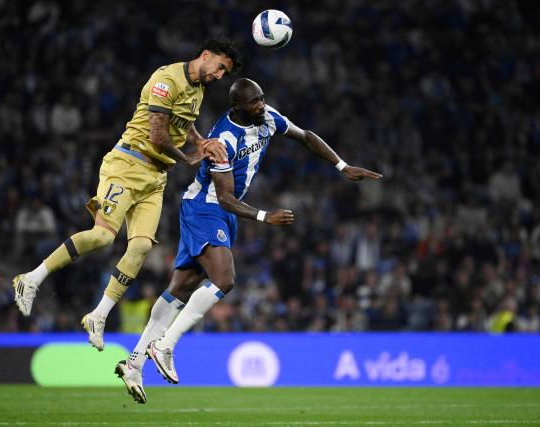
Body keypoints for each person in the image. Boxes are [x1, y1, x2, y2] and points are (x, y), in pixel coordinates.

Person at [114, 78, 382, 403]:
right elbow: (225, 196)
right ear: (237, 107)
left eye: (261, 99)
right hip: (206, 207)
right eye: (254, 102)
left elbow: (306, 137)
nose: (261, 105)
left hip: (220, 211)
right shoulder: (223, 138)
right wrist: (264, 216)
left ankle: (134, 363)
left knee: (181, 288)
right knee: (224, 279)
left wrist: (341, 166)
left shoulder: (267, 117)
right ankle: (165, 345)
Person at [11, 39, 242, 352]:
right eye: (220, 67)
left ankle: (99, 314)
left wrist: (200, 141)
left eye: (225, 73)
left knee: (142, 246)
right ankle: (32, 278)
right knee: (103, 237)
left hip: (155, 177)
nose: (219, 76)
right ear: (206, 55)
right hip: (127, 163)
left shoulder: (197, 89)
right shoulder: (167, 80)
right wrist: (189, 158)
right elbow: (158, 134)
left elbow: (183, 122)